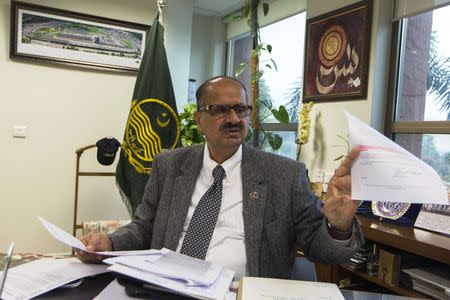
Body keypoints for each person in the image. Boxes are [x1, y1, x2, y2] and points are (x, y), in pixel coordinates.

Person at [77, 76, 364, 279]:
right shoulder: (168, 165)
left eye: (240, 109)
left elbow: (322, 250)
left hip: (239, 291)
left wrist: (339, 227)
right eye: (219, 110)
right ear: (199, 120)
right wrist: (111, 243)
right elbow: (144, 227)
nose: (233, 118)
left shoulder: (284, 175)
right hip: (165, 287)